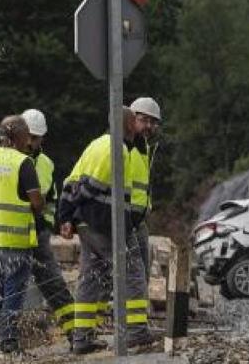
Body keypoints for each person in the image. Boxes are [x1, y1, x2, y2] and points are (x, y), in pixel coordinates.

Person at [57, 107, 153, 354]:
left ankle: (82, 339)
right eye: (136, 120)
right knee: (133, 272)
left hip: (88, 224)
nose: (140, 126)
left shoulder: (96, 144)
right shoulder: (116, 149)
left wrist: (66, 215)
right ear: (129, 125)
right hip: (106, 224)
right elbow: (89, 186)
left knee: (90, 279)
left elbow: (72, 179)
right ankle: (136, 333)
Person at [0, 115, 43, 355]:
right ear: (20, 136)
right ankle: (9, 343)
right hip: (15, 238)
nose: (29, 142)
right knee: (14, 290)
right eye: (27, 136)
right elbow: (36, 201)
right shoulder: (23, 162)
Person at [21, 109, 75, 343]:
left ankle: (76, 331)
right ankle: (4, 338)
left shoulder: (46, 164)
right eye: (29, 136)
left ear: (42, 138)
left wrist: (52, 223)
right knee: (9, 285)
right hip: (13, 233)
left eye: (36, 137)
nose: (31, 142)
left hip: (38, 232)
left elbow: (52, 198)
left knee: (53, 283)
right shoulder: (10, 160)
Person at [127, 96, 160, 283]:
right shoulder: (124, 146)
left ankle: (134, 311)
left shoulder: (144, 148)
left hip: (138, 221)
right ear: (132, 119)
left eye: (153, 122)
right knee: (133, 275)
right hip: (123, 219)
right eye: (144, 120)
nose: (149, 126)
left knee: (141, 274)